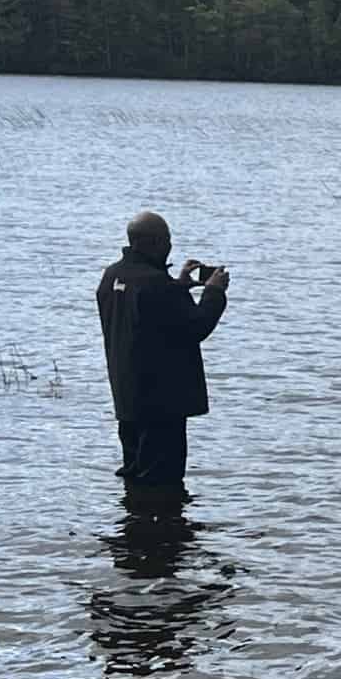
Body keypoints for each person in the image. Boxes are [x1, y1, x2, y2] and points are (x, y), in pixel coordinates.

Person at [96, 211, 229, 497]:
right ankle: (161, 525)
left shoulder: (112, 275)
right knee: (163, 483)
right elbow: (196, 326)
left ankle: (135, 523)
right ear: (155, 242)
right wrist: (214, 292)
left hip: (128, 399)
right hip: (162, 404)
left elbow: (147, 319)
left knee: (135, 475)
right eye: (167, 239)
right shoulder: (157, 285)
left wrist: (178, 286)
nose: (170, 245)